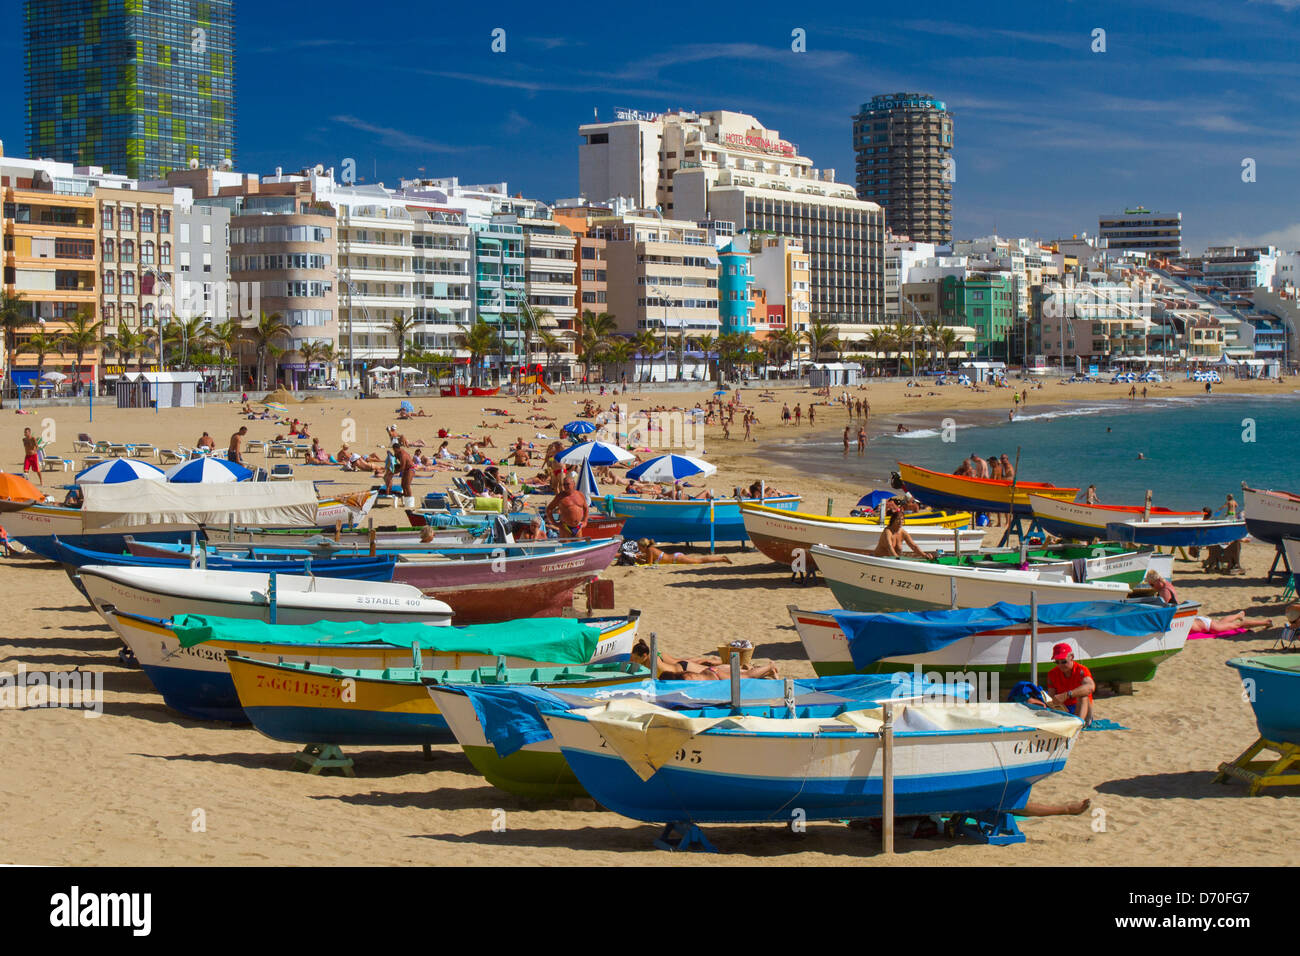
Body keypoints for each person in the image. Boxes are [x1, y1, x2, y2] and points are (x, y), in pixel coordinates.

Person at [1045, 643, 1095, 724]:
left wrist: (1067, 695)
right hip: (1064, 709)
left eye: (1064, 661)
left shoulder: (1081, 670)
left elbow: (1090, 687)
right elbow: (1051, 696)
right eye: (1057, 662)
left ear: (1072, 657)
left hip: (1080, 707)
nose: (1060, 665)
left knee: (1083, 695)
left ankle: (1078, 724)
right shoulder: (1052, 673)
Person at [635, 538, 732, 566]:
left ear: (643, 547)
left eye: (639, 547)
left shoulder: (650, 550)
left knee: (700, 561)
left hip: (677, 559)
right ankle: (721, 558)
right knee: (699, 560)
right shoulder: (649, 550)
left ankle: (722, 559)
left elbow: (649, 563)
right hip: (676, 557)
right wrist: (641, 556)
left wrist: (639, 560)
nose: (639, 549)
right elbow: (649, 558)